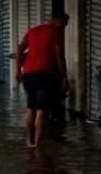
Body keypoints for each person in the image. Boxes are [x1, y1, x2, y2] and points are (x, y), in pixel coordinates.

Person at [15, 11, 70, 150]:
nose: (64, 27)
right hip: (45, 74)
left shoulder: (33, 31)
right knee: (42, 110)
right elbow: (60, 58)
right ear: (56, 20)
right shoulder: (56, 32)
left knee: (30, 108)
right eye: (64, 23)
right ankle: (38, 144)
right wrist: (64, 77)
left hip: (27, 74)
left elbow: (19, 50)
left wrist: (17, 71)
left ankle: (29, 141)